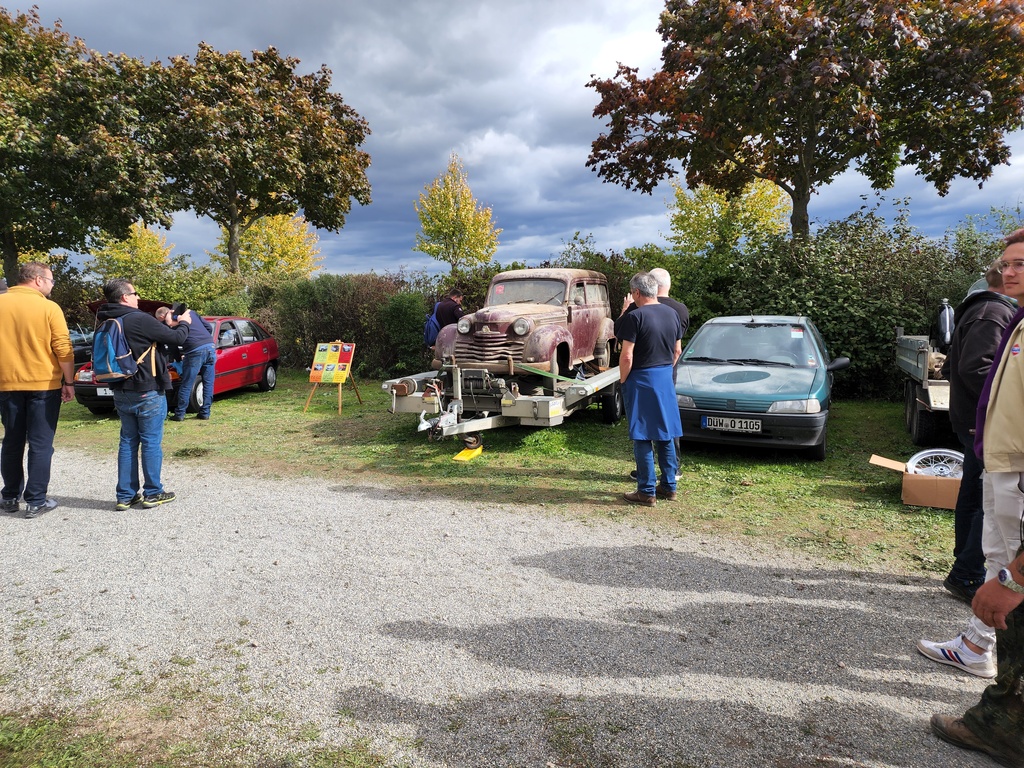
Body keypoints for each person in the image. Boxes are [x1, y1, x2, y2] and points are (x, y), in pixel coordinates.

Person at [931, 230, 1024, 768]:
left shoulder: (999, 316)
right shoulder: (1009, 317)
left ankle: (1002, 713)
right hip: (1003, 462)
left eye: (1020, 265)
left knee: (1004, 571)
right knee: (991, 547)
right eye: (1006, 264)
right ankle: (980, 654)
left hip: (1014, 469)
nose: (1009, 272)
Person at [917, 261, 1015, 677]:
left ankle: (967, 573)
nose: (1014, 271)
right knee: (985, 508)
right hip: (988, 426)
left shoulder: (992, 310)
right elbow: (977, 368)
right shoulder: (994, 313)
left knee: (978, 502)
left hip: (989, 426)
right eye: (1009, 264)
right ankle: (968, 574)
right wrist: (1000, 408)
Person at [97, 280, 191, 511]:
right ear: (124, 297)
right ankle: (153, 492)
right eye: (135, 293)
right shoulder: (139, 318)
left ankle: (125, 496)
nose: (138, 298)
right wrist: (184, 323)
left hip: (120, 388)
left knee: (128, 441)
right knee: (150, 441)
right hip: (147, 389)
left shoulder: (105, 321)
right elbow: (178, 339)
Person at [0, 262, 76, 518]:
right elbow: (63, 348)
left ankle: (9, 496)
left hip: (7, 384)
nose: (53, 285)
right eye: (51, 280)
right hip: (44, 385)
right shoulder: (48, 308)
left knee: (12, 441)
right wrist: (69, 382)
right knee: (41, 444)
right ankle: (35, 500)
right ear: (37, 279)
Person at [616, 267, 690, 482]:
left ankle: (646, 489)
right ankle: (669, 485)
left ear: (637, 293)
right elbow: (678, 350)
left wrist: (624, 380)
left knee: (643, 434)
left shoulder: (635, 316)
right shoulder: (673, 313)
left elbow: (627, 356)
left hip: (641, 378)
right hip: (665, 377)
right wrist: (666, 371)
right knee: (666, 433)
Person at [157, 306, 216, 422]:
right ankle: (205, 412)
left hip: (194, 352)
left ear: (162, 316)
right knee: (208, 383)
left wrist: (178, 358)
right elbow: (208, 327)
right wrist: (202, 340)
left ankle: (180, 414)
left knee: (187, 383)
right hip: (210, 347)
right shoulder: (191, 313)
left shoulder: (171, 323)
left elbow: (173, 344)